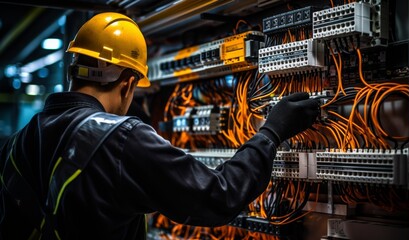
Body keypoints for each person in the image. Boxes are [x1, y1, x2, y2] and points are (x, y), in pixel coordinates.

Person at [0, 12, 319, 240]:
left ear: (74, 71)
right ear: (127, 83)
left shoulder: (16, 143)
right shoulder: (122, 139)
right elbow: (218, 197)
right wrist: (272, 132)